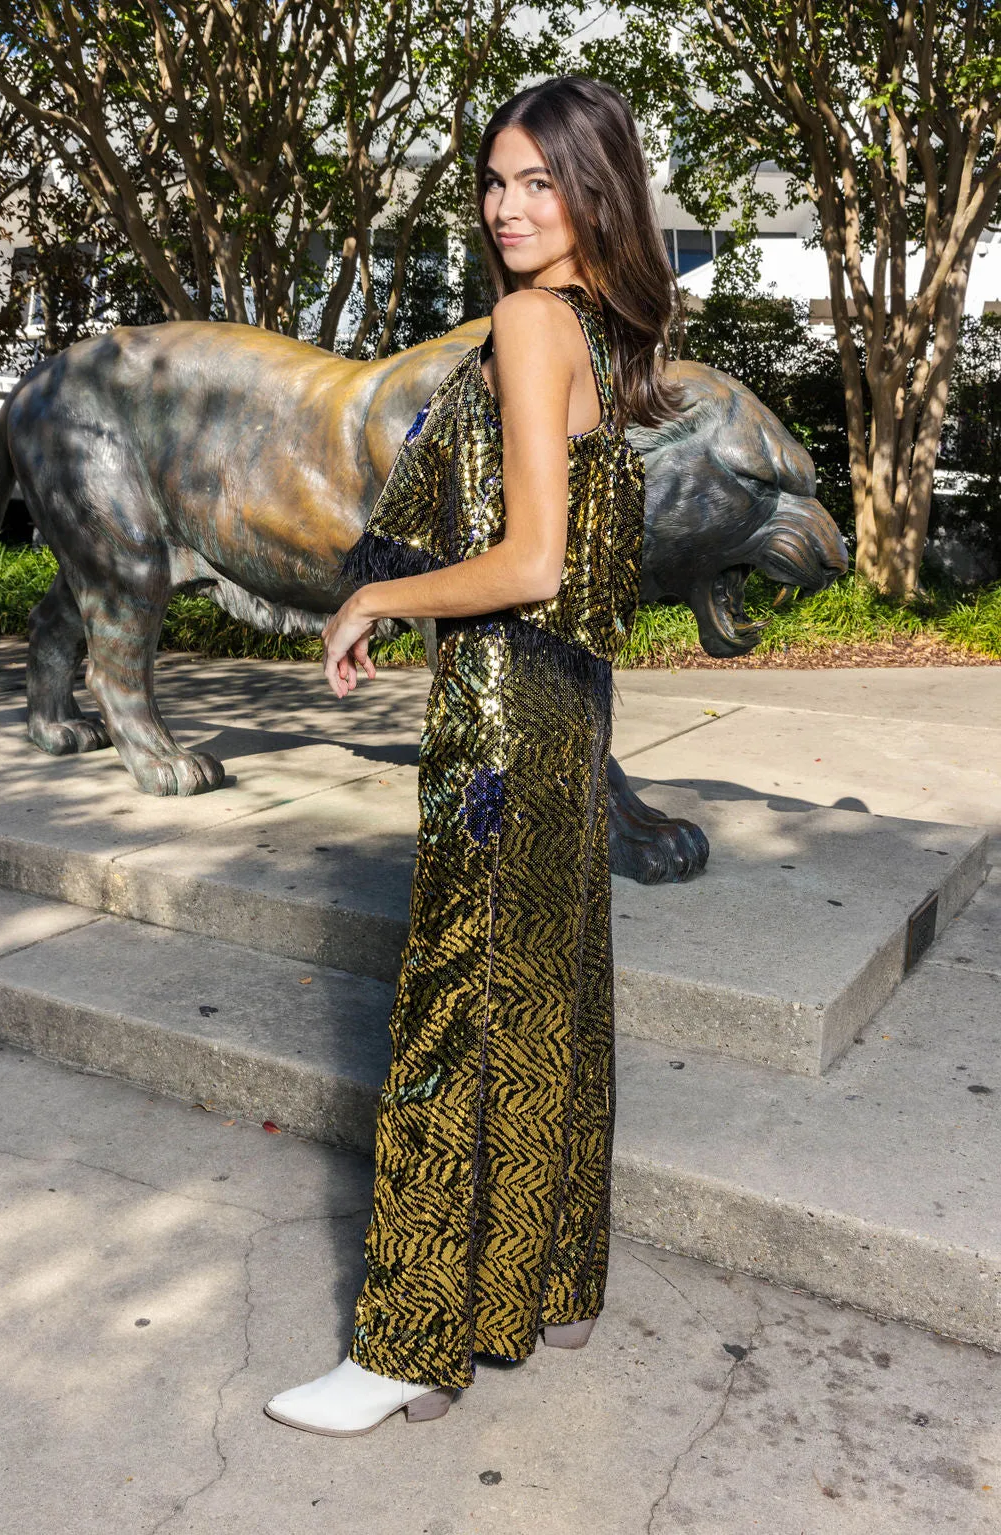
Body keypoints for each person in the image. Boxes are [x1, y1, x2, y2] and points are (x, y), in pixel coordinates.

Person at [264, 73, 680, 1437]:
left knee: (453, 1004)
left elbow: (532, 558)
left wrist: (377, 593)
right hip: (575, 712)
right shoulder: (607, 329)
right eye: (494, 182)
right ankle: (542, 1274)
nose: (507, 208)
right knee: (548, 994)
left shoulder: (525, 321)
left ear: (592, 190)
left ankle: (409, 1338)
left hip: (506, 712)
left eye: (537, 183)